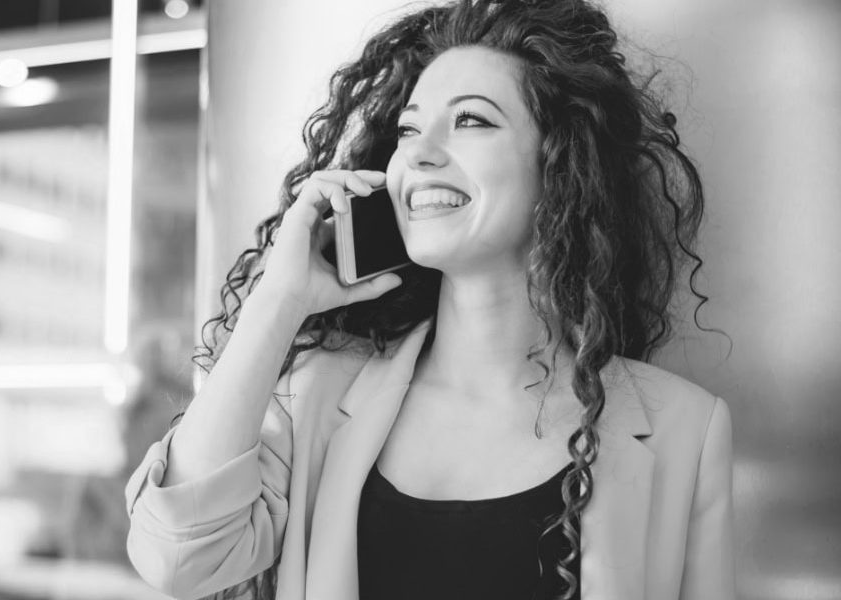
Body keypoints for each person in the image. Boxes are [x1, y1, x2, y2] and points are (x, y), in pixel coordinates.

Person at [125, 0, 734, 599]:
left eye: (471, 120)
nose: (416, 152)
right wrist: (278, 300)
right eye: (408, 129)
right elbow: (176, 558)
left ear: (562, 163)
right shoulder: (315, 396)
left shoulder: (687, 429)